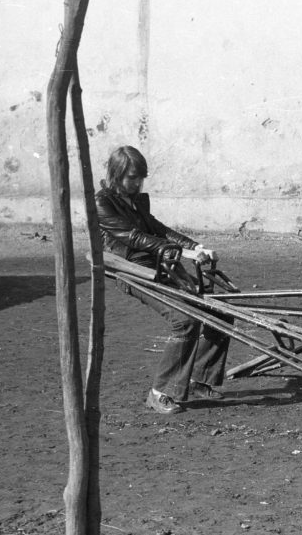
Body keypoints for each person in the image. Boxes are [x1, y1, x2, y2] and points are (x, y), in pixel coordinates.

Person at [96, 145, 230, 415]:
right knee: (184, 320)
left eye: (141, 178)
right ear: (116, 173)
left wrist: (195, 246)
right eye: (132, 177)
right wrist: (181, 252)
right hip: (131, 269)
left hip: (159, 263)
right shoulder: (102, 203)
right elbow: (133, 237)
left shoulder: (136, 200)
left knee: (220, 310)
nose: (137, 183)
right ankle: (160, 392)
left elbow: (157, 229)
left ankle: (198, 379)